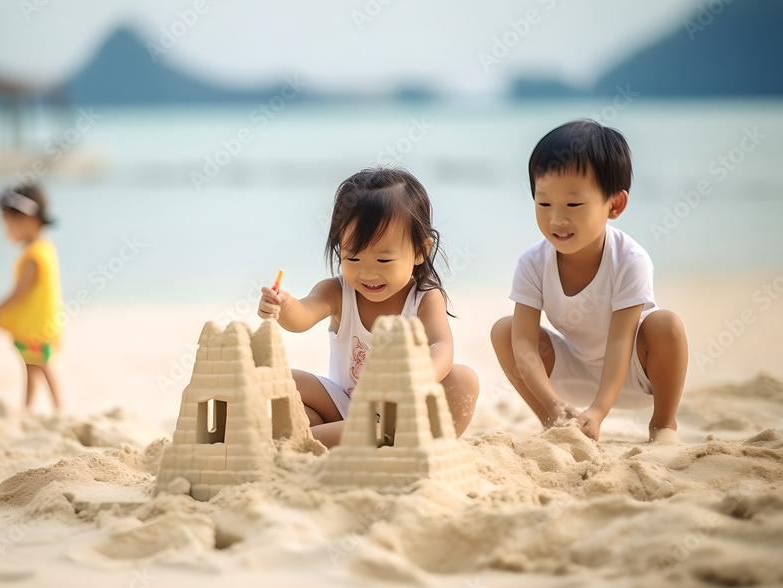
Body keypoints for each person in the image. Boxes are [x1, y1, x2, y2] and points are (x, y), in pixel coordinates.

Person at [491, 120, 687, 443]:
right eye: (544, 203)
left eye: (573, 204)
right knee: (504, 331)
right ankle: (555, 420)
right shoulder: (532, 263)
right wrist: (553, 402)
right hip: (573, 372)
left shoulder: (629, 260)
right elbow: (524, 343)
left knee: (666, 325)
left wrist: (598, 410)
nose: (557, 218)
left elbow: (621, 340)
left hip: (635, 374)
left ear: (615, 204)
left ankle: (664, 426)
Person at [258, 167, 479, 448]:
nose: (368, 273)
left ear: (421, 250)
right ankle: (341, 437)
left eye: (384, 261)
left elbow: (442, 346)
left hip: (401, 412)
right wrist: (283, 305)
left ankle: (316, 441)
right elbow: (300, 318)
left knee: (463, 380)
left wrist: (422, 380)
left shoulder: (424, 299)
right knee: (287, 380)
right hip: (344, 403)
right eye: (353, 258)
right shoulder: (337, 291)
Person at [0, 184, 64, 412]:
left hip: (36, 326)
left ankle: (59, 409)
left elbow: (19, 294)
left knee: (41, 366)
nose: (6, 232)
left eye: (9, 225)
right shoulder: (45, 247)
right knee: (33, 366)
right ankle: (29, 408)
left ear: (27, 221)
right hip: (42, 323)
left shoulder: (33, 257)